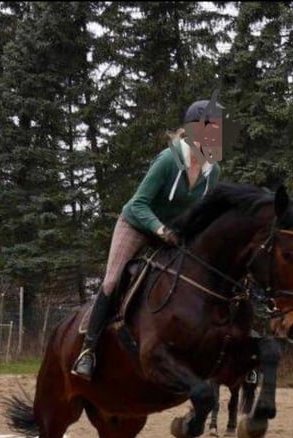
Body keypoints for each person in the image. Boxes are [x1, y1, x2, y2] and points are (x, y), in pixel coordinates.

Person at [70, 97, 225, 380]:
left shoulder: (212, 171)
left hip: (174, 233)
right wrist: (160, 230)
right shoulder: (168, 160)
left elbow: (203, 213)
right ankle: (88, 350)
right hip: (137, 224)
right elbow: (139, 203)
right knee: (113, 280)